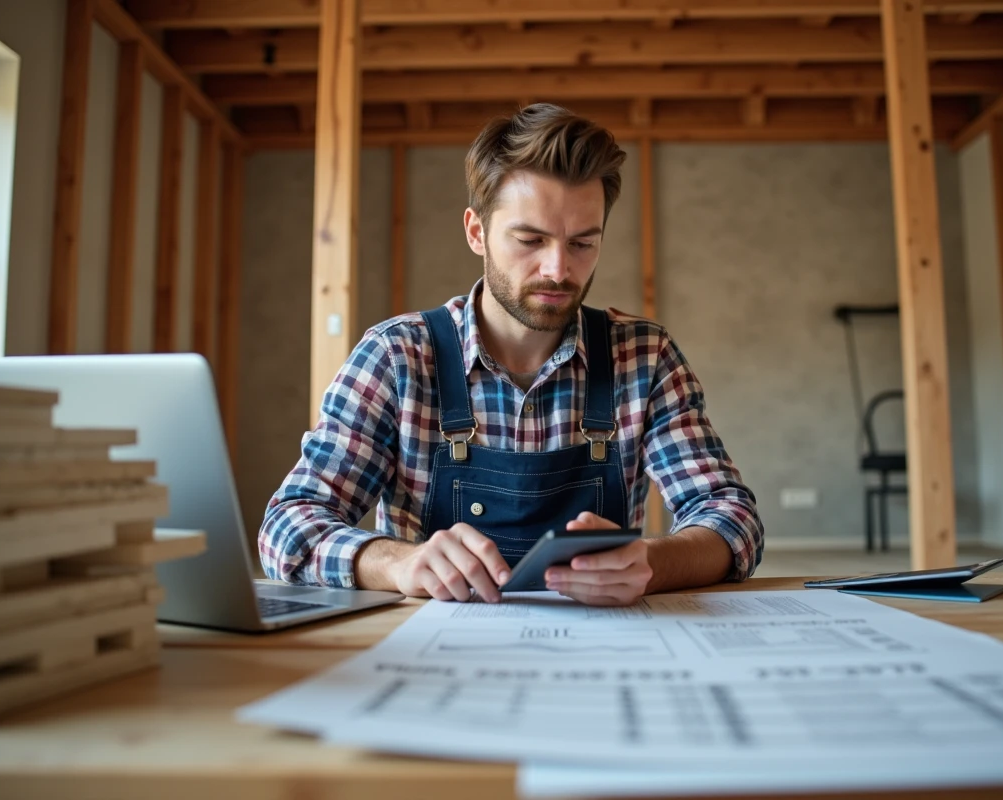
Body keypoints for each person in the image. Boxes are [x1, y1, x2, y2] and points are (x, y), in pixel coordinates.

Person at [259, 103, 763, 607]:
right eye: (530, 239)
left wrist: (651, 563)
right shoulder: (396, 357)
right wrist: (398, 563)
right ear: (477, 231)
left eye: (583, 243)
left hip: (601, 649)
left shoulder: (644, 356)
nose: (558, 269)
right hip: (429, 653)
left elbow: (731, 517)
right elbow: (287, 526)